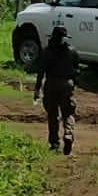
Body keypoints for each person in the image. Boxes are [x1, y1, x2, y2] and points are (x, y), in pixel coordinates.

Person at [33, 24, 79, 154]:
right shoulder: (72, 51)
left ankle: (54, 142)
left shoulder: (47, 51)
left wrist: (37, 88)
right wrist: (74, 84)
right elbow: (77, 70)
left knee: (52, 114)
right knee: (68, 112)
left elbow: (41, 72)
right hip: (67, 84)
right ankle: (68, 134)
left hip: (51, 83)